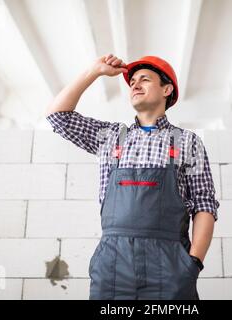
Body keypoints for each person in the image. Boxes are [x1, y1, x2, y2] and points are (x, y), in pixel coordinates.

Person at [45, 54, 219, 300]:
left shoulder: (188, 141)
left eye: (145, 79)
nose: (135, 85)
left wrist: (192, 264)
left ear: (166, 89)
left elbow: (204, 205)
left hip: (170, 265)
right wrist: (94, 72)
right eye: (132, 81)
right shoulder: (110, 136)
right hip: (113, 264)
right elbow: (57, 116)